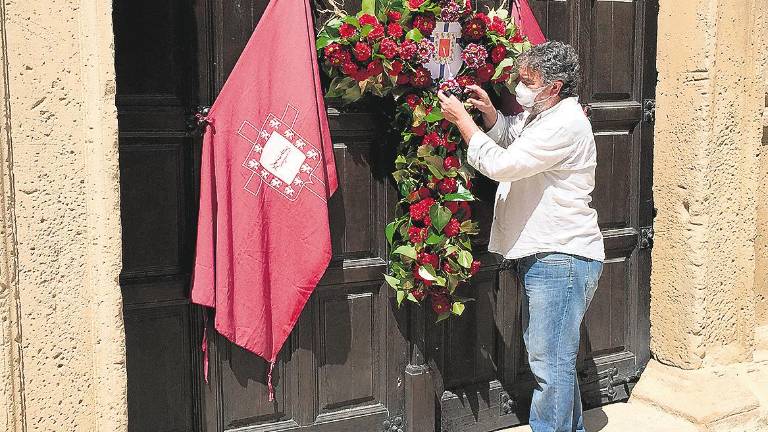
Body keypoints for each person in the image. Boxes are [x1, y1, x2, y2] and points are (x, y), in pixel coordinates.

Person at [438, 41, 605, 432]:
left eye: (528, 81)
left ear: (555, 85)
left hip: (562, 256)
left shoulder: (566, 123)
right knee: (554, 361)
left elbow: (504, 164)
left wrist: (464, 122)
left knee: (550, 364)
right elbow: (516, 138)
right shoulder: (546, 114)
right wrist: (492, 116)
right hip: (546, 254)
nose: (520, 86)